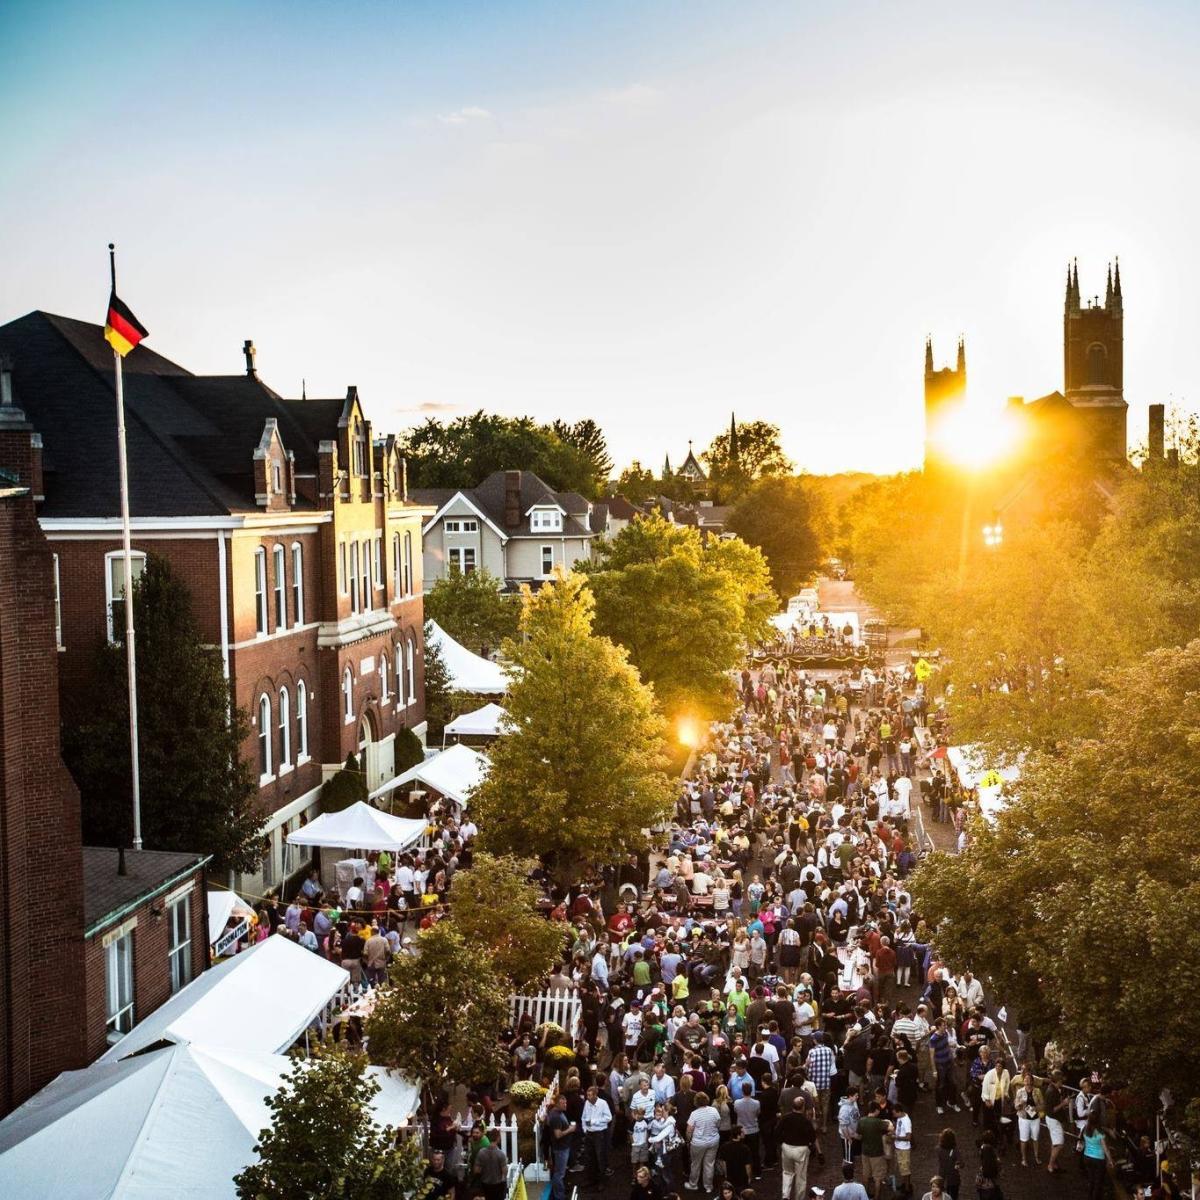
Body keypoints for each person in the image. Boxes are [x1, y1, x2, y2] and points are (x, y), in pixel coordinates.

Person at [777, 1094, 817, 1200]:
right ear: (803, 1107)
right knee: (801, 1178)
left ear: (792, 1106)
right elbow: (813, 1137)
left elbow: (777, 1131)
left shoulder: (785, 1118)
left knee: (787, 1173)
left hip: (786, 1148)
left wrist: (782, 1143)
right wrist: (809, 1146)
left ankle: (785, 1196)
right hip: (801, 1150)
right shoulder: (806, 1121)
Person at [685, 1092, 722, 1192]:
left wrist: (688, 1141)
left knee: (695, 1164)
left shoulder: (694, 1114)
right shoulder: (714, 1110)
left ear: (696, 1102)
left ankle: (693, 1184)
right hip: (713, 1141)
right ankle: (708, 1187)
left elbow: (689, 1130)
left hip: (698, 1143)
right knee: (709, 1164)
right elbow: (718, 1124)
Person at [1012, 1067, 1044, 1167]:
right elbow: (1016, 1107)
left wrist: (1036, 1108)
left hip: (1035, 1118)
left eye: (1029, 1079)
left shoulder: (1037, 1091)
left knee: (1035, 1138)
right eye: (1025, 1080)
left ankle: (1036, 1157)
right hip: (1024, 1119)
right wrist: (1020, 1104)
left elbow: (1043, 1105)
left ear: (1032, 1081)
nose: (1027, 1081)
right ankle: (1024, 1159)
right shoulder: (1020, 1092)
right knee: (1024, 1139)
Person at [581, 1084, 613, 1181]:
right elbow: (584, 1117)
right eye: (587, 1095)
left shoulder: (603, 1103)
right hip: (589, 1133)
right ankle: (591, 1179)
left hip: (599, 1134)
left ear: (595, 1095)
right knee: (590, 1157)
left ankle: (602, 1180)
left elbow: (609, 1118)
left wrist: (594, 1122)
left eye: (590, 1095)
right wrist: (585, 1129)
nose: (588, 1097)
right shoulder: (587, 1103)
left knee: (600, 1157)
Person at [548, 1094, 576, 1200]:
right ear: (557, 1104)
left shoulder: (558, 1113)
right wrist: (570, 1129)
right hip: (561, 1149)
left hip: (563, 1147)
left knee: (560, 1172)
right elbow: (558, 1135)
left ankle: (560, 1192)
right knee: (559, 1174)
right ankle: (559, 1196)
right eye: (562, 1103)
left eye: (565, 1103)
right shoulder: (556, 1117)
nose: (565, 1105)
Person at [1080, 1111, 1114, 1200]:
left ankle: (1089, 1197)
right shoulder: (1100, 1133)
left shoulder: (1085, 1129)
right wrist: (1110, 1160)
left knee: (1091, 1180)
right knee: (1098, 1182)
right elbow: (1105, 1149)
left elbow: (1081, 1141)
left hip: (1087, 1156)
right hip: (1099, 1159)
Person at [936, 1129, 962, 1200]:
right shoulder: (955, 1150)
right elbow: (961, 1163)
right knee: (954, 1196)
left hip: (942, 1176)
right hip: (953, 1177)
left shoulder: (939, 1149)